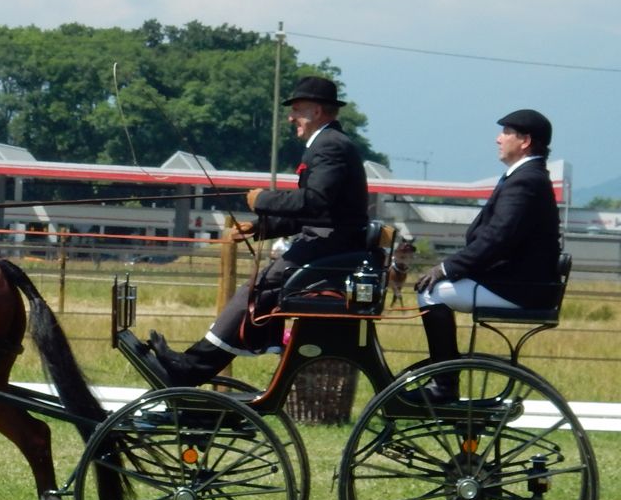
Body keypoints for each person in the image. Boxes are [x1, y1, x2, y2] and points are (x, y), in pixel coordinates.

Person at [149, 75, 369, 386]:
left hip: (330, 249)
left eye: (297, 109)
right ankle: (196, 364)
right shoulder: (329, 144)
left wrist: (262, 200)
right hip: (328, 244)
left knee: (256, 289)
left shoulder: (329, 145)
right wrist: (258, 227)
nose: (291, 117)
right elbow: (318, 212)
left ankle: (191, 368)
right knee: (257, 288)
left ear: (317, 111)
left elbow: (315, 202)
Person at [410, 109, 561, 402]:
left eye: (506, 132)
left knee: (432, 293)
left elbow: (497, 239)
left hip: (519, 288)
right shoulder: (526, 176)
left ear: (525, 141)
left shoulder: (526, 180)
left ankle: (444, 385)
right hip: (516, 282)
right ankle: (443, 377)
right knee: (435, 290)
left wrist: (446, 268)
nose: (498, 139)